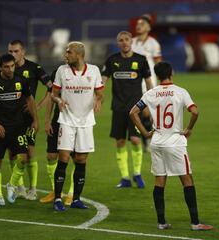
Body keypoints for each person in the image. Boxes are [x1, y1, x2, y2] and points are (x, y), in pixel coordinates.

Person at [129, 61, 213, 231]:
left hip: (157, 142)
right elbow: (195, 112)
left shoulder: (151, 93)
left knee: (160, 181)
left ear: (157, 76)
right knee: (187, 179)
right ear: (171, 73)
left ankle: (161, 222)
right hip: (175, 142)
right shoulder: (180, 92)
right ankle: (196, 223)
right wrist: (188, 129)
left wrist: (145, 132)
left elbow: (133, 112)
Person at [51, 41, 104, 211]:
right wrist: (59, 100)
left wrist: (98, 101)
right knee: (64, 158)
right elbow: (54, 94)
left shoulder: (94, 70)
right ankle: (58, 199)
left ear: (79, 55)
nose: (65, 55)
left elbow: (100, 92)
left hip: (86, 122)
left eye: (69, 52)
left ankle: (76, 199)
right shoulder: (62, 71)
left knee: (81, 160)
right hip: (66, 120)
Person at [0, 53, 38, 205]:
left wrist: (35, 120)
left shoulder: (22, 81)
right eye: (6, 67)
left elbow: (30, 99)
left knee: (23, 158)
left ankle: (12, 185)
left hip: (18, 127)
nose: (10, 69)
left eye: (12, 66)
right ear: (0, 67)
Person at [102, 31, 153, 188]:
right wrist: (97, 96)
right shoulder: (112, 60)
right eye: (121, 40)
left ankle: (137, 173)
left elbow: (149, 83)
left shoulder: (141, 60)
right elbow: (102, 81)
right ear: (118, 43)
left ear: (131, 41)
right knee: (120, 142)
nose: (124, 42)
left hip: (136, 109)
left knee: (136, 140)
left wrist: (149, 104)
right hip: (118, 108)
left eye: (126, 40)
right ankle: (125, 178)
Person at [7, 40, 52, 200]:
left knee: (30, 152)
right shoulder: (6, 70)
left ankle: (33, 189)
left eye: (16, 51)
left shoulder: (34, 68)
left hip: (28, 118)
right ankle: (20, 188)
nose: (12, 54)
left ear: (23, 52)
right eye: (10, 51)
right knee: (12, 153)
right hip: (10, 118)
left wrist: (37, 107)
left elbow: (51, 87)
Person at [39, 68, 76, 206]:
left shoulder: (85, 73)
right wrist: (47, 120)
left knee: (75, 157)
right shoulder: (57, 72)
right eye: (66, 54)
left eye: (69, 53)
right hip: (58, 119)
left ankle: (72, 193)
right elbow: (50, 97)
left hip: (75, 122)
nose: (67, 57)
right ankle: (55, 191)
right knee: (51, 155)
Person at [132, 14, 162, 152]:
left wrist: (163, 80)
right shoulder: (131, 42)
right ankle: (141, 140)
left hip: (148, 82)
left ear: (148, 27)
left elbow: (158, 63)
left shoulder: (153, 44)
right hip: (132, 83)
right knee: (135, 113)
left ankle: (147, 140)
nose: (139, 26)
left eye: (142, 24)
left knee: (146, 113)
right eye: (138, 23)